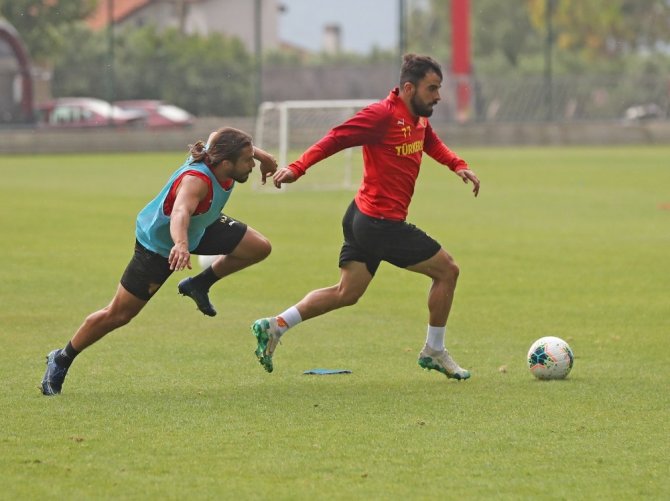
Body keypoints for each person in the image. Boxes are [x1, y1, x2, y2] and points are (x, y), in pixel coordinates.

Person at [251, 54, 480, 380]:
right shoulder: (381, 116)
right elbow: (336, 138)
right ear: (408, 88)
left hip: (361, 215)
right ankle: (434, 350)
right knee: (448, 271)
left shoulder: (418, 117)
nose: (438, 96)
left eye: (439, 88)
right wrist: (297, 168)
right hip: (380, 224)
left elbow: (430, 141)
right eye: (432, 89)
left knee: (347, 292)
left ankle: (276, 325)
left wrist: (457, 164)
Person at [41, 127, 278, 396]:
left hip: (201, 227)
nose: (252, 164)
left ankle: (198, 285)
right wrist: (180, 244)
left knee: (259, 247)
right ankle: (61, 358)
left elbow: (216, 133)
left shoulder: (220, 153)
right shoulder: (196, 181)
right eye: (248, 160)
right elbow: (180, 212)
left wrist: (264, 156)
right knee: (119, 314)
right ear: (226, 163)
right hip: (160, 246)